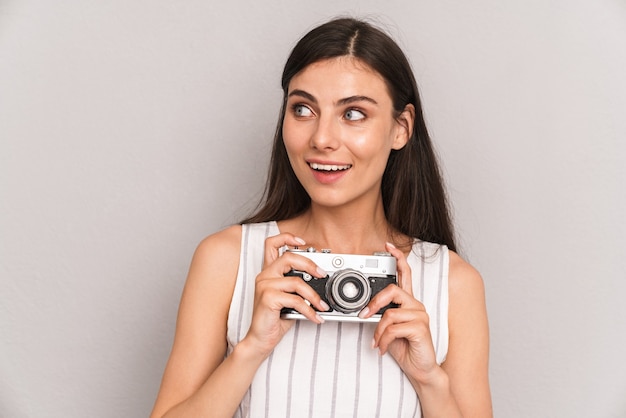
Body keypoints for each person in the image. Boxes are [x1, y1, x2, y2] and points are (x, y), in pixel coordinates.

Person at [150, 17, 492, 418]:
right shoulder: (225, 260)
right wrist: (251, 348)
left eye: (353, 114)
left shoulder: (453, 283)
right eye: (303, 109)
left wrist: (428, 378)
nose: (322, 138)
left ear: (401, 128)